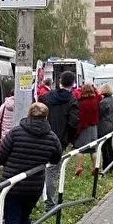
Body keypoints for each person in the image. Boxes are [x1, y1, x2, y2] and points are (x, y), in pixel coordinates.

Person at [0, 103, 62, 224]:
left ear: (29, 114)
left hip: (12, 184)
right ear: (46, 116)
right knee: (25, 217)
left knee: (12, 218)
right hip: (34, 186)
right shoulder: (52, 137)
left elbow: (1, 156)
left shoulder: (15, 132)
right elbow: (56, 158)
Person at [41, 71, 79, 212]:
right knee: (52, 171)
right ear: (73, 83)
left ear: (60, 81)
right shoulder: (72, 101)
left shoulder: (46, 97)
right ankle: (50, 203)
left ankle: (37, 200)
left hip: (43, 136)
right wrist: (69, 138)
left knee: (38, 169)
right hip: (59, 140)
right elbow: (73, 123)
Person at [74, 83, 100, 176]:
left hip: (84, 127)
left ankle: (79, 167)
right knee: (93, 149)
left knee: (80, 149)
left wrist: (78, 129)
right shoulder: (96, 101)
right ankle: (95, 167)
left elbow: (80, 117)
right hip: (94, 128)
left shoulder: (81, 103)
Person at [98, 84, 113, 171]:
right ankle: (112, 165)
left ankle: (106, 166)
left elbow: (99, 114)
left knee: (104, 147)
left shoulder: (104, 102)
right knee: (109, 146)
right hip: (111, 125)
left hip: (104, 126)